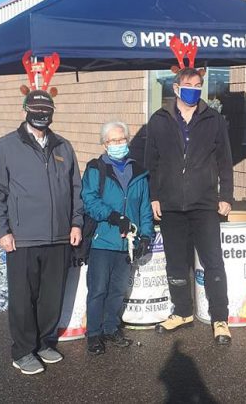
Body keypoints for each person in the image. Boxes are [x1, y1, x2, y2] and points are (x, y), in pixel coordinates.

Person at [0, 89, 83, 375]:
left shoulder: (64, 146)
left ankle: (44, 342)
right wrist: (3, 230)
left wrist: (75, 222)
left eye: (47, 111)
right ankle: (23, 350)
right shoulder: (6, 146)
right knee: (23, 297)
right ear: (26, 110)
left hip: (59, 236)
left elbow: (76, 189)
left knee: (51, 296)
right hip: (23, 237)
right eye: (36, 110)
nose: (42, 115)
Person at [145, 66, 234, 345]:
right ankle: (182, 311)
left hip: (205, 203)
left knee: (212, 262)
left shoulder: (214, 119)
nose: (194, 88)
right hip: (171, 204)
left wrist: (226, 197)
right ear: (175, 88)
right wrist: (154, 196)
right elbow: (151, 162)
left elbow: (224, 161)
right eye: (188, 84)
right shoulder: (159, 120)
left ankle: (220, 317)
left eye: (198, 84)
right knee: (176, 262)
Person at [81, 121, 154, 355]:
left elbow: (143, 206)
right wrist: (114, 217)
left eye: (122, 140)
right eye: (113, 141)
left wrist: (145, 235)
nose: (118, 144)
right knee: (98, 289)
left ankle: (111, 328)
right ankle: (93, 333)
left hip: (127, 243)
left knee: (117, 289)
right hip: (102, 240)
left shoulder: (139, 171)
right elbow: (89, 200)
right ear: (105, 144)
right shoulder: (95, 168)